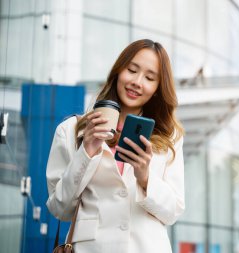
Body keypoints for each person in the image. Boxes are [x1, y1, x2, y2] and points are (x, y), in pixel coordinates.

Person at [46, 39, 185, 253]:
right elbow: (60, 209)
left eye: (149, 78)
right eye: (132, 70)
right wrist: (87, 152)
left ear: (158, 88)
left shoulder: (168, 137)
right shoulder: (71, 130)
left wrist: (145, 177)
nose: (137, 82)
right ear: (118, 72)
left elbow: (173, 211)